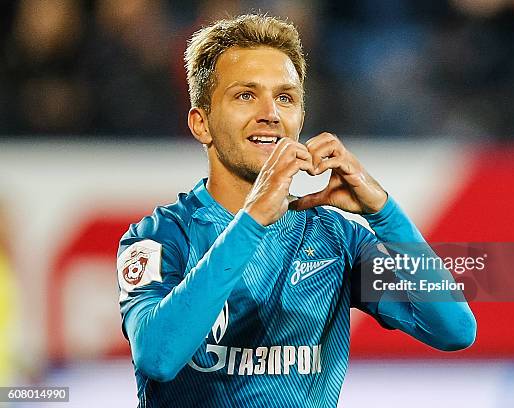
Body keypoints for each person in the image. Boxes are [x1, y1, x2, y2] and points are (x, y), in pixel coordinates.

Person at [116, 14, 476, 407]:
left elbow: (454, 329)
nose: (270, 112)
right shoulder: (161, 237)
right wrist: (252, 221)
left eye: (285, 97)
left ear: (300, 119)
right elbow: (158, 358)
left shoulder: (337, 239)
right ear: (202, 124)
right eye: (245, 95)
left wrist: (383, 212)